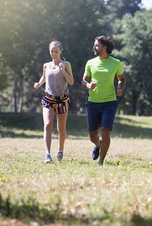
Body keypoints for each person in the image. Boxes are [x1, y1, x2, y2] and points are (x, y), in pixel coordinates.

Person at [82, 35, 126, 165]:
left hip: (109, 102)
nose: (94, 47)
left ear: (104, 47)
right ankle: (97, 145)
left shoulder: (116, 63)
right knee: (92, 135)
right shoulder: (90, 63)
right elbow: (84, 81)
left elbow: (122, 79)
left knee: (106, 131)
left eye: (96, 45)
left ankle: (101, 162)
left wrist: (120, 88)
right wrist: (88, 85)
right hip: (93, 102)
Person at [34, 41, 74, 163]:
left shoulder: (65, 64)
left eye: (56, 51)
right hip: (49, 99)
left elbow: (71, 82)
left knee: (61, 128)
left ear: (60, 51)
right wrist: (39, 83)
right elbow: (44, 76)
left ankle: (60, 150)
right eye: (52, 51)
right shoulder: (46, 65)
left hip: (62, 99)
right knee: (47, 125)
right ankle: (47, 154)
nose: (54, 53)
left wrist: (63, 71)